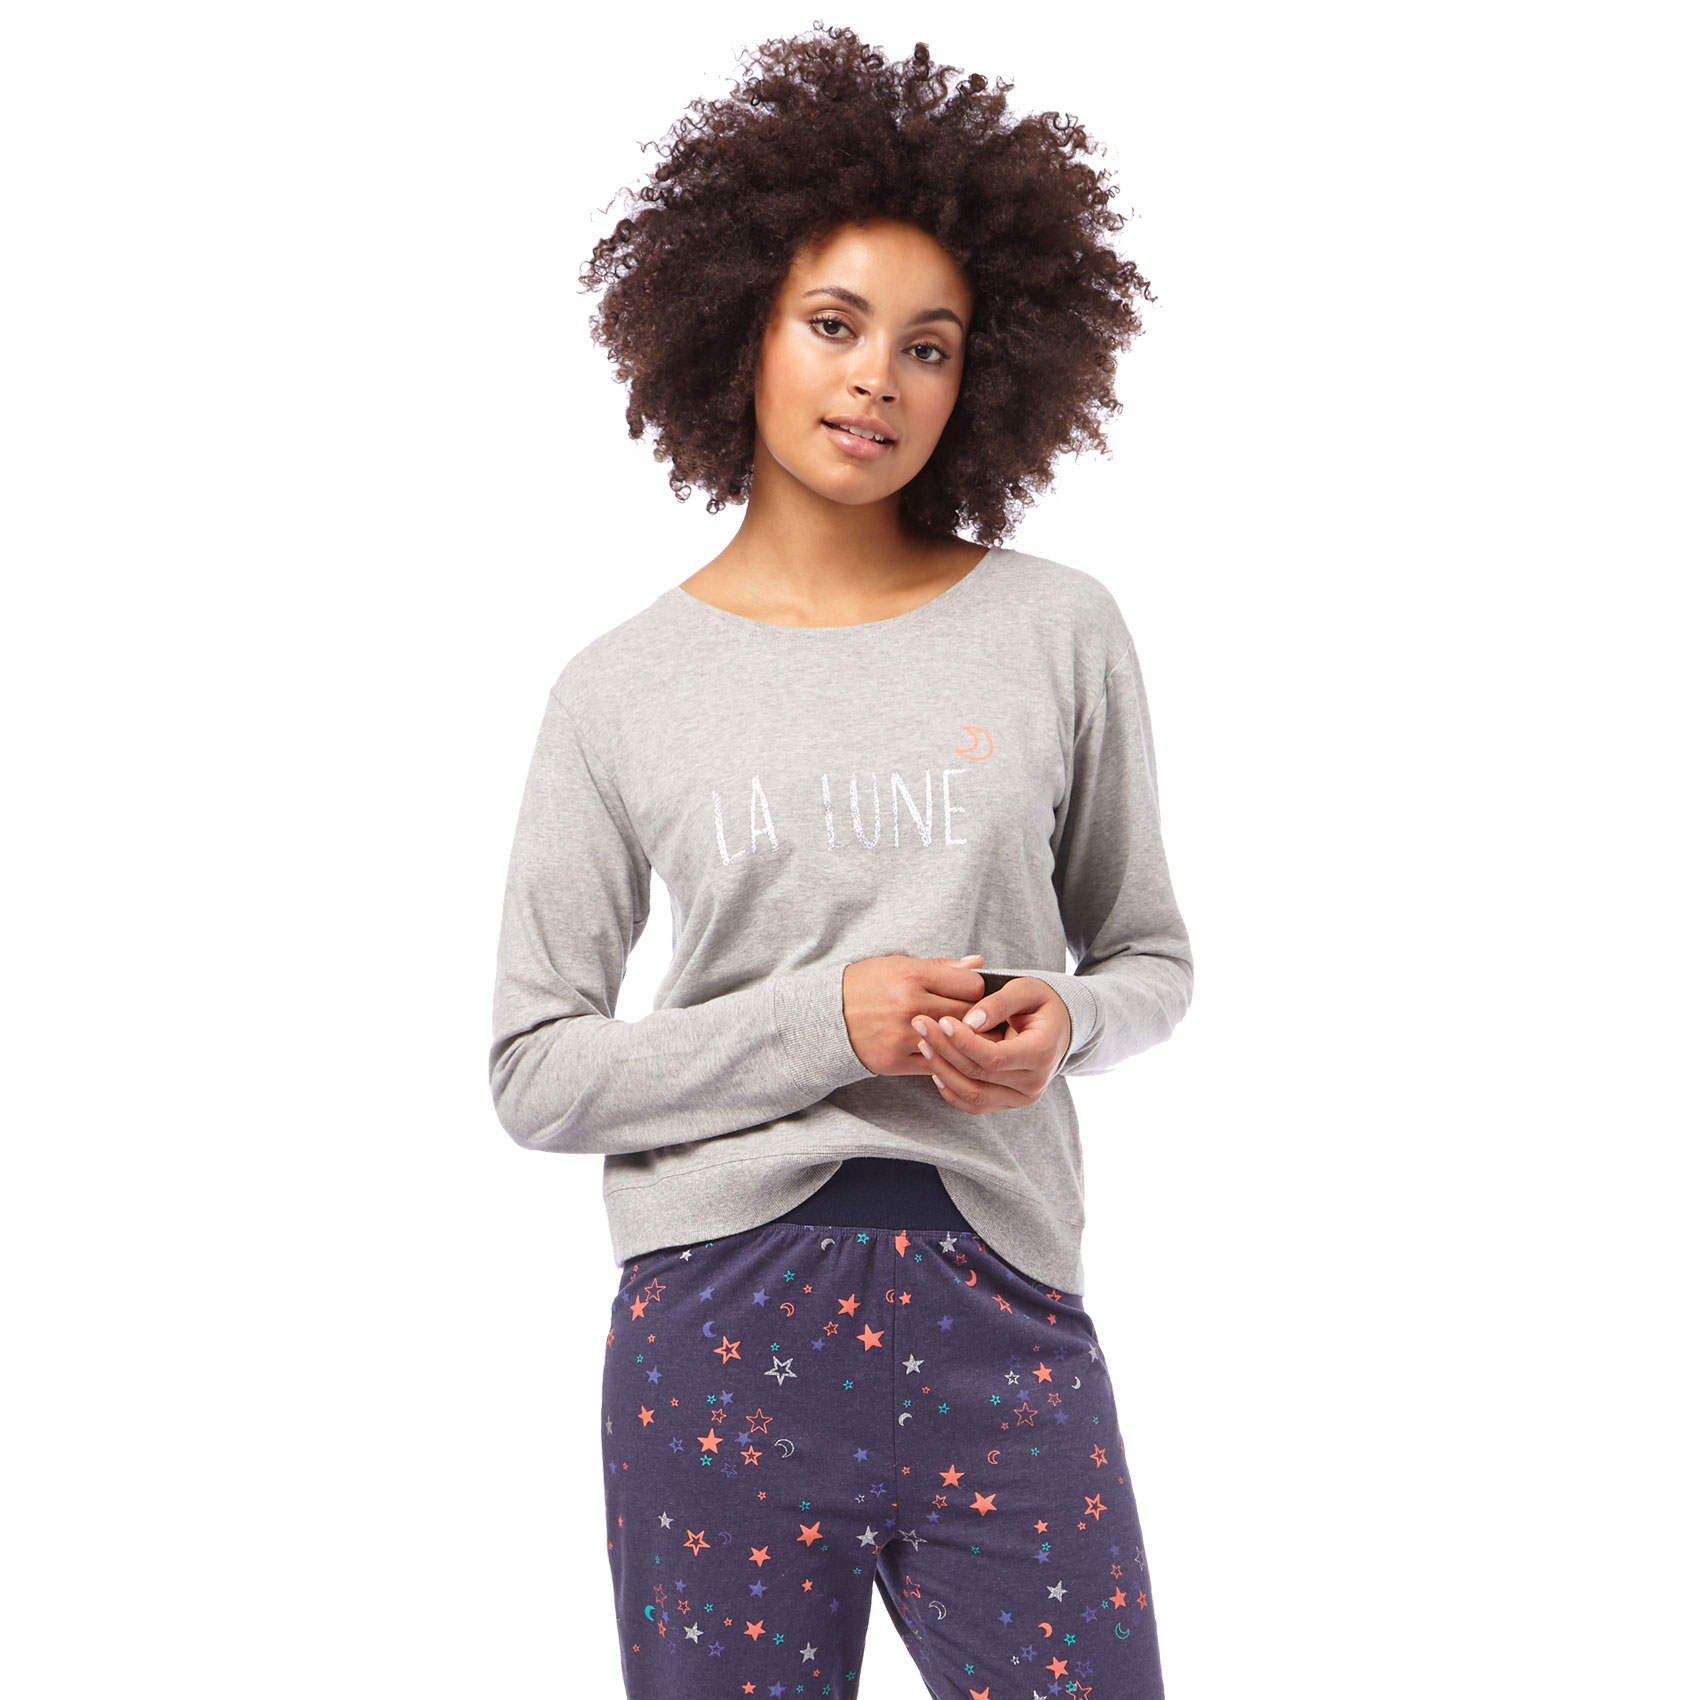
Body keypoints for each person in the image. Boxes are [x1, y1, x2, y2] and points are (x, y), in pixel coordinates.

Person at [488, 26, 1192, 1697]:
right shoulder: (617, 690)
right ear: (736, 322)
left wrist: (1064, 1022)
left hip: (1005, 1313)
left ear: (982, 377)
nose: (879, 377)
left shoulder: (1057, 631)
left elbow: (1149, 960)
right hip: (716, 1334)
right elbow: (536, 1071)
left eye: (928, 346)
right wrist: (832, 1021)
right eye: (834, 323)